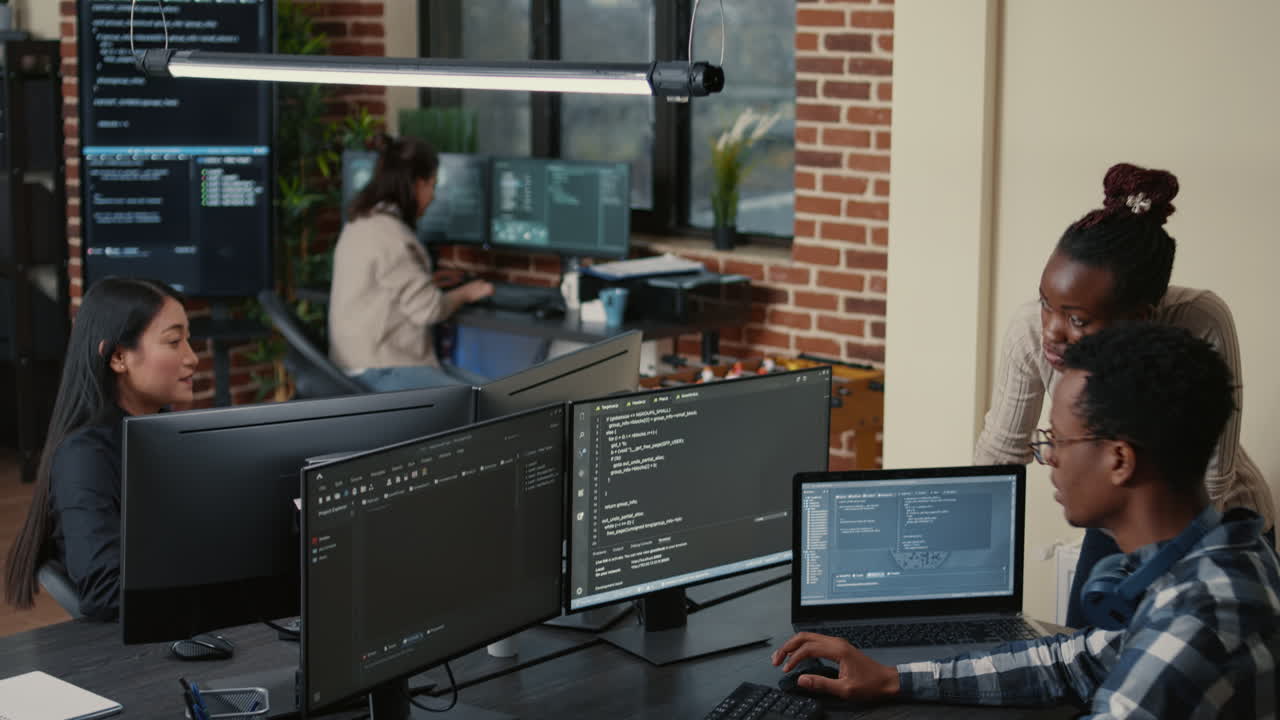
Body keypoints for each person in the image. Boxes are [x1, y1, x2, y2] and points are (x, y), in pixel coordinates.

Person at [774, 325, 1280, 718]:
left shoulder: (1193, 624)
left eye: (1056, 439)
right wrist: (893, 678)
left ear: (1119, 460)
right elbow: (1075, 662)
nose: (1047, 457)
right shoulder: (1224, 556)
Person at [972, 162, 1274, 627]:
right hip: (1120, 511)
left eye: (1077, 319)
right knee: (1084, 644)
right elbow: (998, 457)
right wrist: (969, 575)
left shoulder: (1199, 320)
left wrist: (1159, 584)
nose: (1051, 331)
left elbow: (1213, 480)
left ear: (1140, 318)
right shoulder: (1032, 332)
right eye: (1046, 303)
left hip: (1210, 517)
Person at [4, 278, 198, 621]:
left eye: (188, 339)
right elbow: (107, 590)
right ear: (119, 357)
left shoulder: (162, 432)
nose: (192, 357)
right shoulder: (84, 457)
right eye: (173, 341)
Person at [328, 134, 493, 392]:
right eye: (432, 185)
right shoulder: (390, 236)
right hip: (380, 368)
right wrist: (467, 293)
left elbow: (385, 285)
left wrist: (428, 281)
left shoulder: (363, 222)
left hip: (354, 362)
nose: (433, 196)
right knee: (489, 397)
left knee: (487, 390)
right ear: (416, 184)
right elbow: (429, 310)